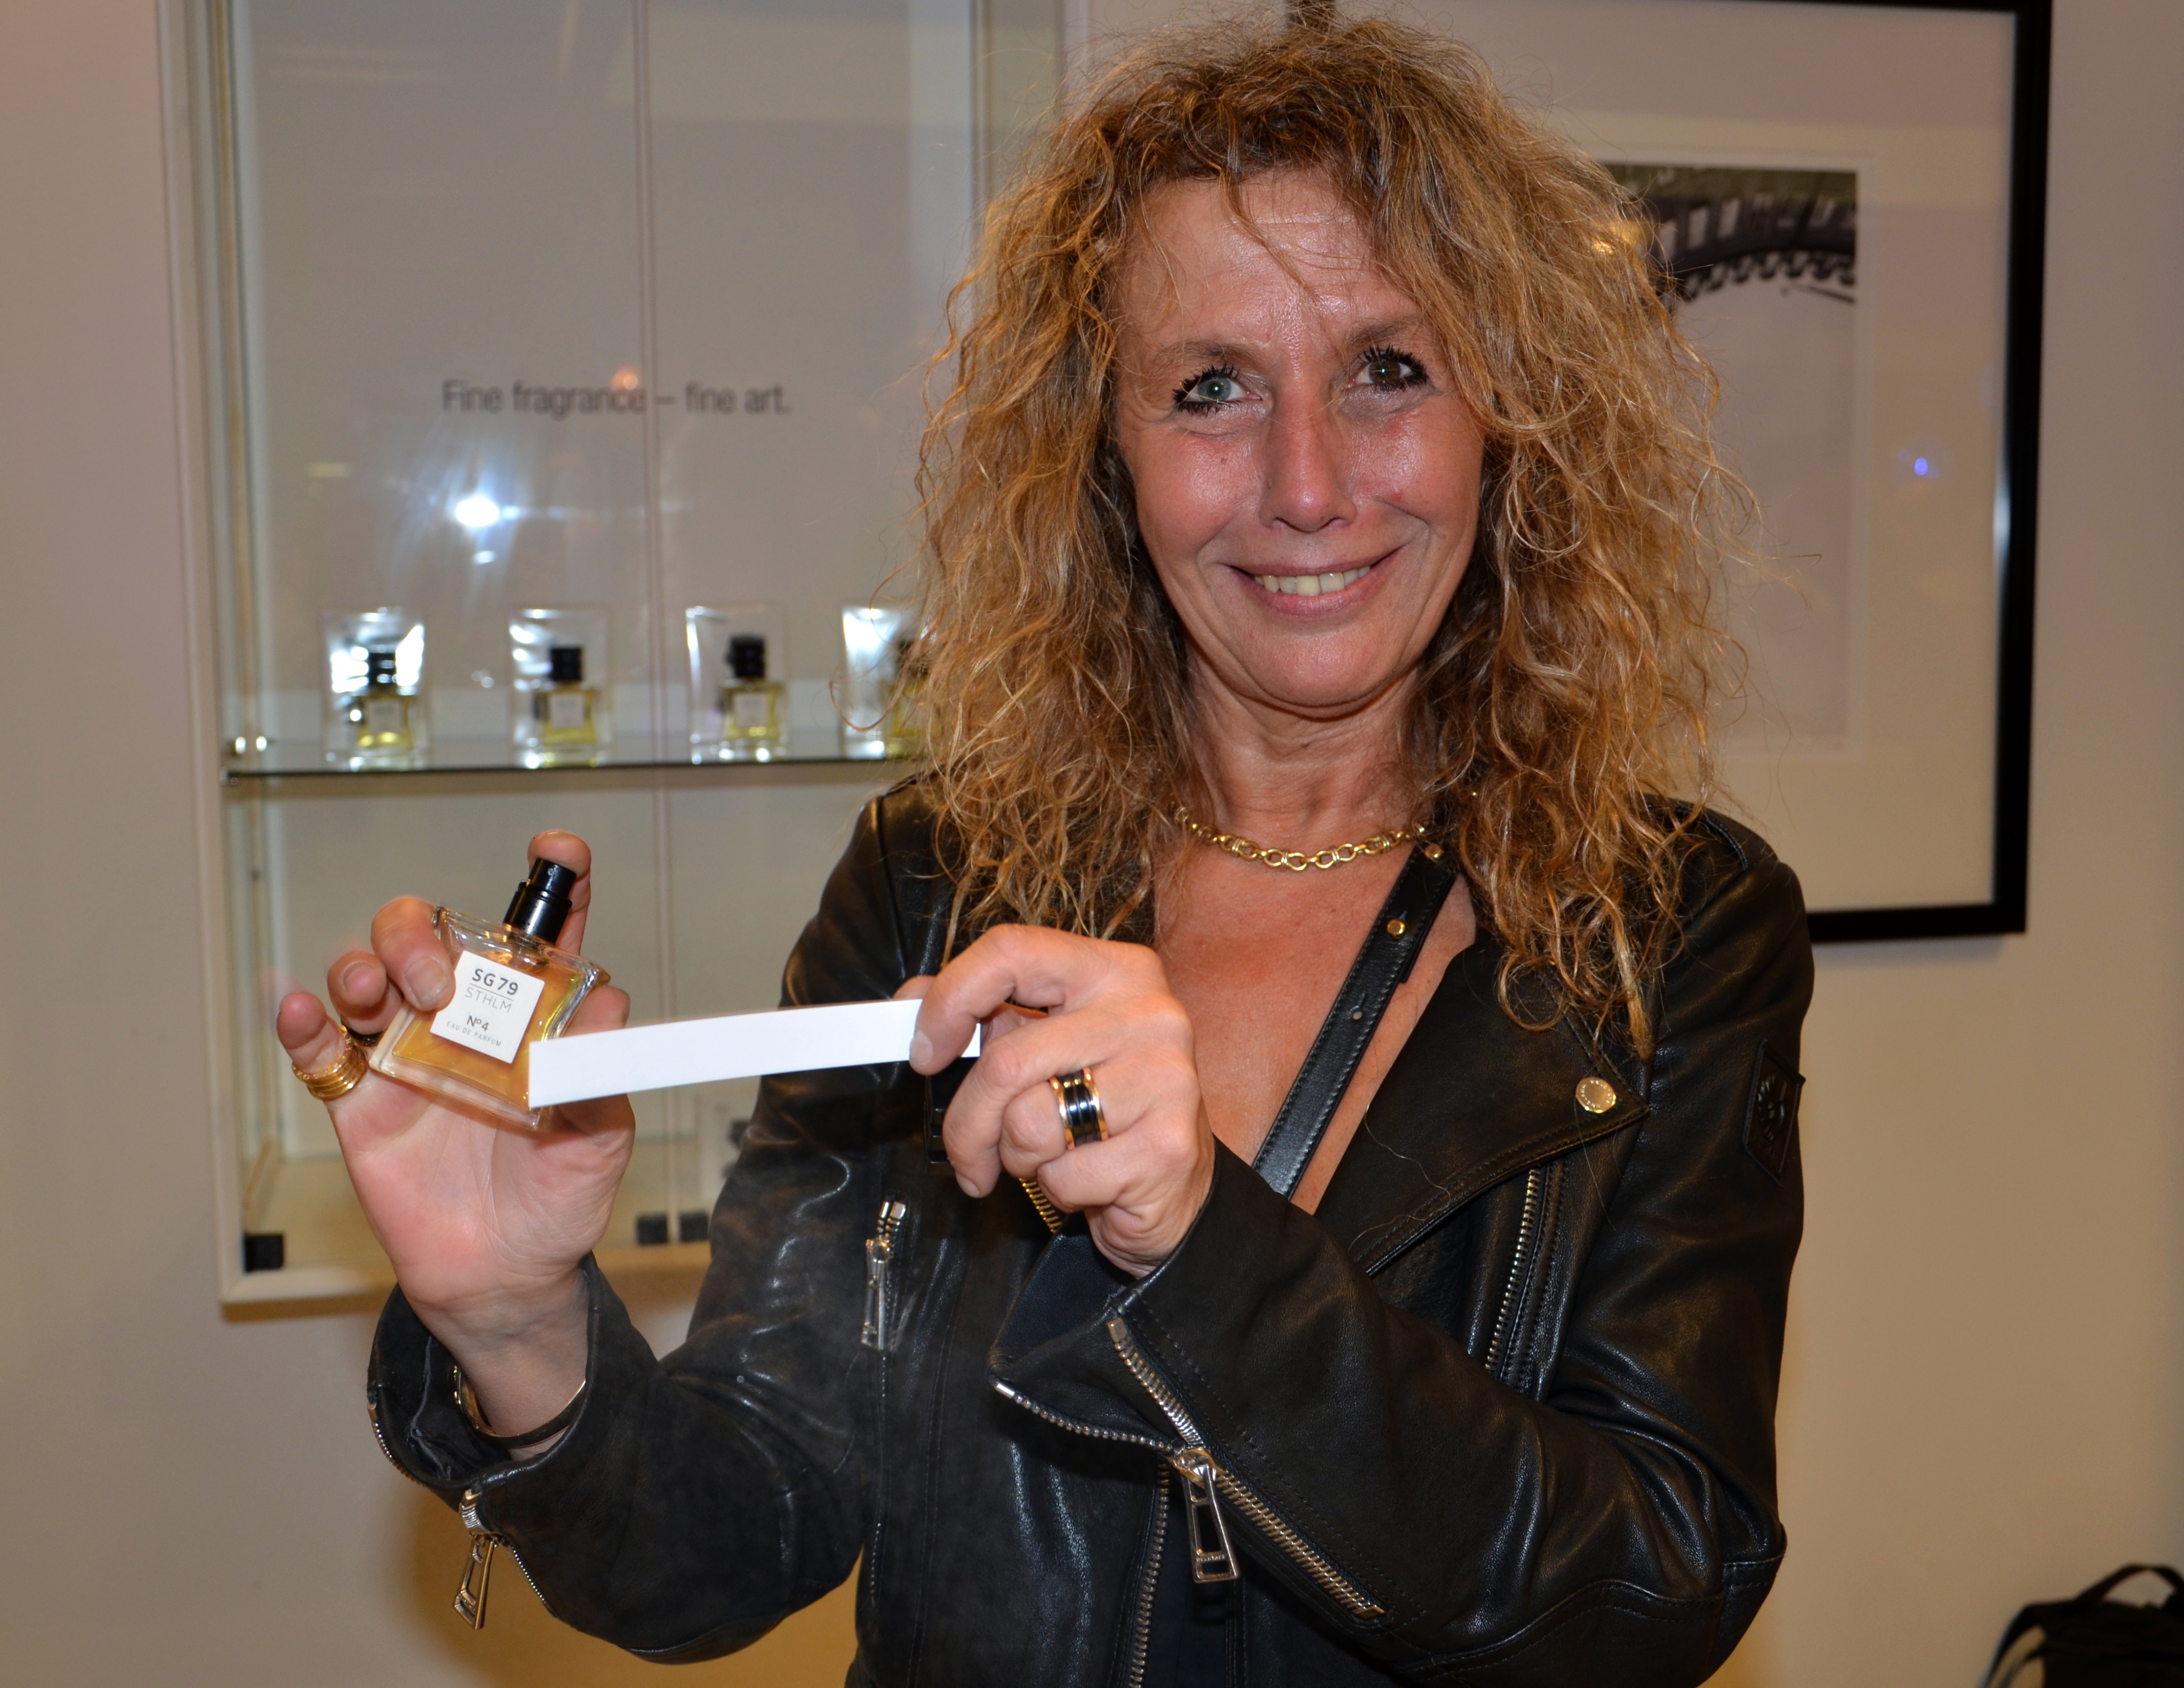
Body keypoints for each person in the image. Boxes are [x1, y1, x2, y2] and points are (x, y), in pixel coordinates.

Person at [277, 13, 1809, 1684]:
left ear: (1506, 417)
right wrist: (516, 1326)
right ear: (1107, 453)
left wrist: (1203, 1248)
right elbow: (735, 1537)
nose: (1307, 485)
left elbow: (1652, 1595)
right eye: (1211, 389)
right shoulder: (933, 879)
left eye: (1389, 368)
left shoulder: (1677, 928)